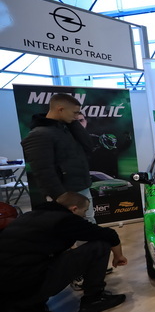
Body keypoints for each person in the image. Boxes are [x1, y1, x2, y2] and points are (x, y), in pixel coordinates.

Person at [0, 192, 128, 312]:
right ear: (74, 209)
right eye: (84, 211)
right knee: (99, 246)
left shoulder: (28, 216)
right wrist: (118, 256)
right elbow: (109, 234)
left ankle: (30, 305)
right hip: (30, 287)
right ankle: (94, 299)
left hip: (7, 290)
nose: (85, 215)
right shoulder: (65, 220)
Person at [21, 93, 95, 221]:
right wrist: (61, 196)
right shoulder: (39, 134)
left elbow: (88, 146)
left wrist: (73, 123)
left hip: (81, 186)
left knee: (88, 223)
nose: (76, 117)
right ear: (60, 109)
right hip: (63, 193)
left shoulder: (67, 128)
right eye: (75, 113)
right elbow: (43, 170)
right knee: (66, 226)